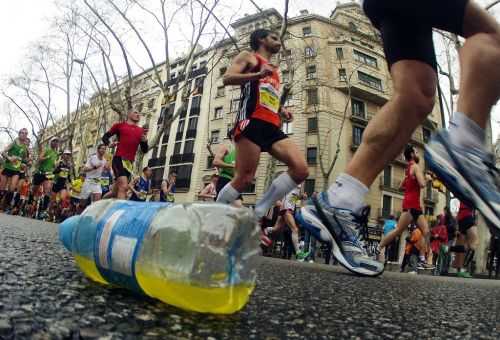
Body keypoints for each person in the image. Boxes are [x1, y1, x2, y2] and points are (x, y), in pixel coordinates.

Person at [300, 0, 500, 276]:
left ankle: (340, 200)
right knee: (491, 36)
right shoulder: (413, 166)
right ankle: (465, 143)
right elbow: (417, 180)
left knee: (415, 96)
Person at [216, 29, 309, 224]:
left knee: (301, 170)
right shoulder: (248, 57)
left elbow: (267, 93)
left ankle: (259, 210)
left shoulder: (274, 70)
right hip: (251, 121)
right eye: (274, 38)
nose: (279, 42)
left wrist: (281, 110)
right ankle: (215, 218)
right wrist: (258, 74)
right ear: (260, 39)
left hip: (272, 125)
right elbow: (227, 78)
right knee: (244, 179)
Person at [379, 145, 433, 269]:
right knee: (425, 232)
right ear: (412, 154)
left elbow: (400, 187)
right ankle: (423, 259)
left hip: (409, 205)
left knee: (401, 230)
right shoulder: (415, 167)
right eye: (416, 151)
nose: (418, 153)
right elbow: (422, 184)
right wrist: (427, 178)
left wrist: (410, 184)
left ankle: (378, 247)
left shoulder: (408, 169)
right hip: (413, 205)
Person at [102, 110, 149, 199]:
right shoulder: (119, 126)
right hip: (119, 159)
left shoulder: (141, 131)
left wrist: (145, 142)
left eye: (139, 113)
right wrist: (109, 144)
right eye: (135, 112)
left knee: (115, 191)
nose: (138, 114)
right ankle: (121, 212)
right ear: (128, 114)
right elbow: (105, 136)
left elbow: (144, 150)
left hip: (129, 164)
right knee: (123, 187)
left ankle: (99, 203)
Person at [0, 128, 30, 211]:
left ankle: (5, 206)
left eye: (26, 133)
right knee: (2, 189)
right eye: (22, 133)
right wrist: (9, 158)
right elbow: (3, 152)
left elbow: (25, 159)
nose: (24, 135)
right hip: (7, 167)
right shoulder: (14, 143)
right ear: (19, 134)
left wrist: (27, 162)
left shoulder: (25, 147)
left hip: (16, 170)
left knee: (12, 188)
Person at [33, 137, 59, 219]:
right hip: (40, 173)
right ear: (51, 142)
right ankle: (32, 202)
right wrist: (46, 158)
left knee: (47, 190)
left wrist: (55, 166)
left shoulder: (56, 153)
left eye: (57, 142)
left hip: (49, 174)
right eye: (54, 141)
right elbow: (39, 159)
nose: (55, 143)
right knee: (34, 190)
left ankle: (43, 211)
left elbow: (54, 165)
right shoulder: (46, 149)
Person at [212, 141, 242, 207]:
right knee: (237, 206)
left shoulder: (242, 150)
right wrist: (232, 166)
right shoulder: (226, 148)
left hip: (235, 181)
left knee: (237, 208)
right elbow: (215, 162)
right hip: (225, 179)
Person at [453, 202, 479, 278]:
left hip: (463, 217)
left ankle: (460, 269)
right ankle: (463, 267)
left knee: (464, 243)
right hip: (467, 216)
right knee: (474, 242)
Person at [49, 150, 72, 222]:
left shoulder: (69, 164)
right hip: (56, 182)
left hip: (63, 184)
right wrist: (59, 168)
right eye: (66, 154)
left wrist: (70, 182)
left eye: (69, 155)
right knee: (52, 201)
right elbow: (53, 171)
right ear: (63, 155)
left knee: (62, 199)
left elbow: (69, 175)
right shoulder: (59, 162)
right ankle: (50, 216)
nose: (67, 156)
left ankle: (58, 215)